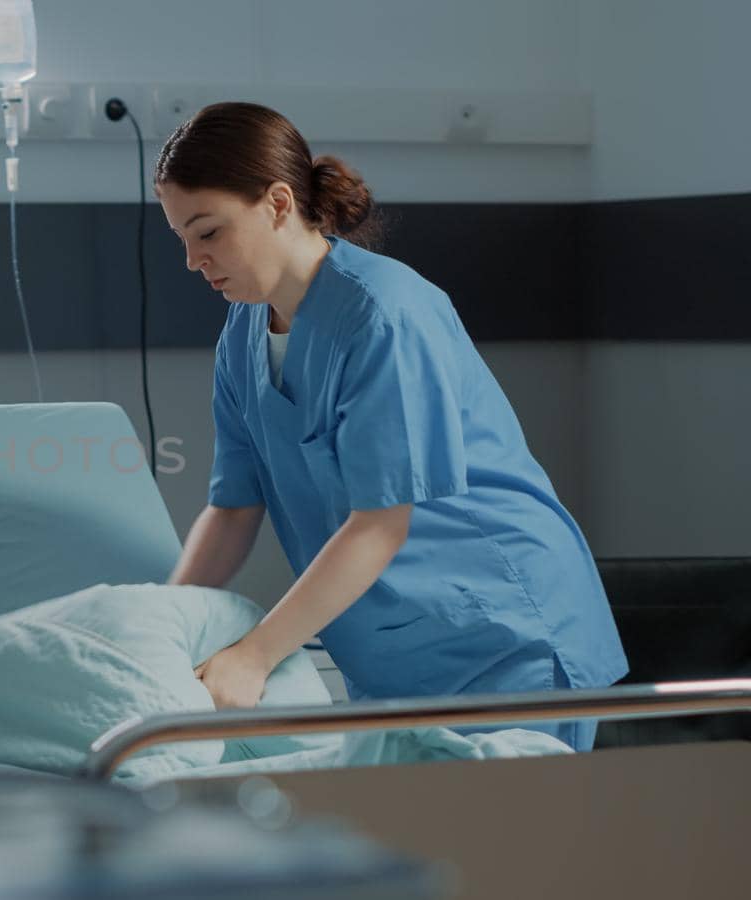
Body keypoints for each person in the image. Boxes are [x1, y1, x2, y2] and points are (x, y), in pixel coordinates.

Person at [160, 102, 626, 751]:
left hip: (504, 636)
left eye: (207, 232)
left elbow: (380, 523)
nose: (192, 260)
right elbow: (234, 507)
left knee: (514, 846)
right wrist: (161, 624)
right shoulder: (243, 334)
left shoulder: (386, 316)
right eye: (181, 238)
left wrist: (255, 655)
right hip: (398, 654)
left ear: (275, 203)